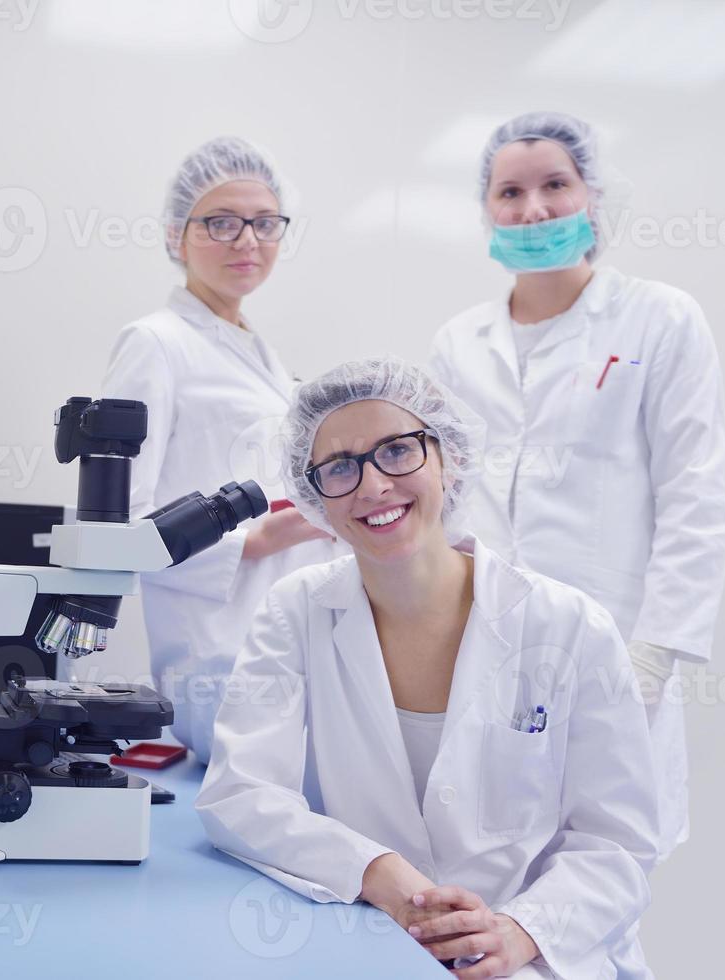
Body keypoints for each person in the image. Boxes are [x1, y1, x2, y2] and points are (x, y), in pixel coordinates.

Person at [195, 357, 660, 979]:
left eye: (396, 451)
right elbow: (240, 792)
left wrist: (520, 932)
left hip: (541, 958)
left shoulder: (568, 626)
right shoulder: (296, 611)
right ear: (313, 497)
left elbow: (617, 843)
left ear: (448, 457)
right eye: (339, 467)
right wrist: (380, 873)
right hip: (378, 941)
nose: (372, 486)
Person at [430, 111, 725, 859]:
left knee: (605, 870)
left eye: (554, 185)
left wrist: (653, 652)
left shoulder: (658, 319)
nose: (531, 209)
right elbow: (441, 505)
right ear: (486, 210)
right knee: (488, 869)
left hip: (617, 646)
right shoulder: (456, 343)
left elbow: (693, 493)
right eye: (509, 192)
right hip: (484, 649)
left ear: (592, 196)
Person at [101, 136, 333, 763]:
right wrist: (255, 541)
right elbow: (118, 526)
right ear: (178, 234)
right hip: (214, 650)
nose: (247, 240)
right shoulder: (156, 343)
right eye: (221, 223)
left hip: (280, 630)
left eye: (264, 223)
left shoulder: (257, 350)